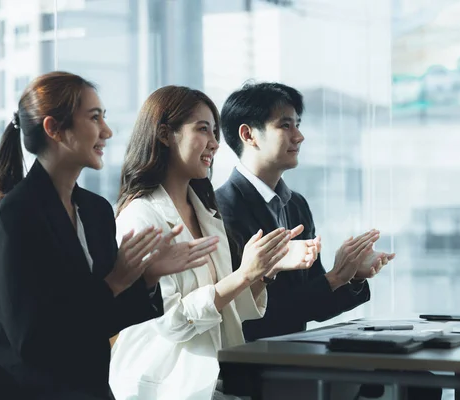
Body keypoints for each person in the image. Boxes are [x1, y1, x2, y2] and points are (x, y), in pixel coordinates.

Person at [0, 72, 217, 400]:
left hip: (91, 387)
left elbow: (109, 319)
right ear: (54, 129)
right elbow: (34, 341)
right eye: (94, 118)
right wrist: (115, 282)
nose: (107, 131)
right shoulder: (17, 218)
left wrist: (146, 277)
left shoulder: (95, 210)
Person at [216, 82, 440, 400]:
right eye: (285, 125)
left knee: (419, 379)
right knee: (411, 384)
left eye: (298, 124)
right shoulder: (223, 209)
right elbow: (246, 316)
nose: (299, 136)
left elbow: (315, 304)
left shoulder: (296, 205)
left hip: (295, 353)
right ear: (248, 135)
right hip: (254, 362)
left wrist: (349, 277)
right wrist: (333, 278)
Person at [108, 86, 319, 400]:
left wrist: (263, 271)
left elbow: (233, 309)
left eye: (216, 132)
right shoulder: (139, 217)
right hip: (164, 388)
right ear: (165, 135)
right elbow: (172, 325)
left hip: (214, 380)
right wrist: (244, 274)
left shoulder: (207, 214)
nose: (215, 143)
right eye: (203, 129)